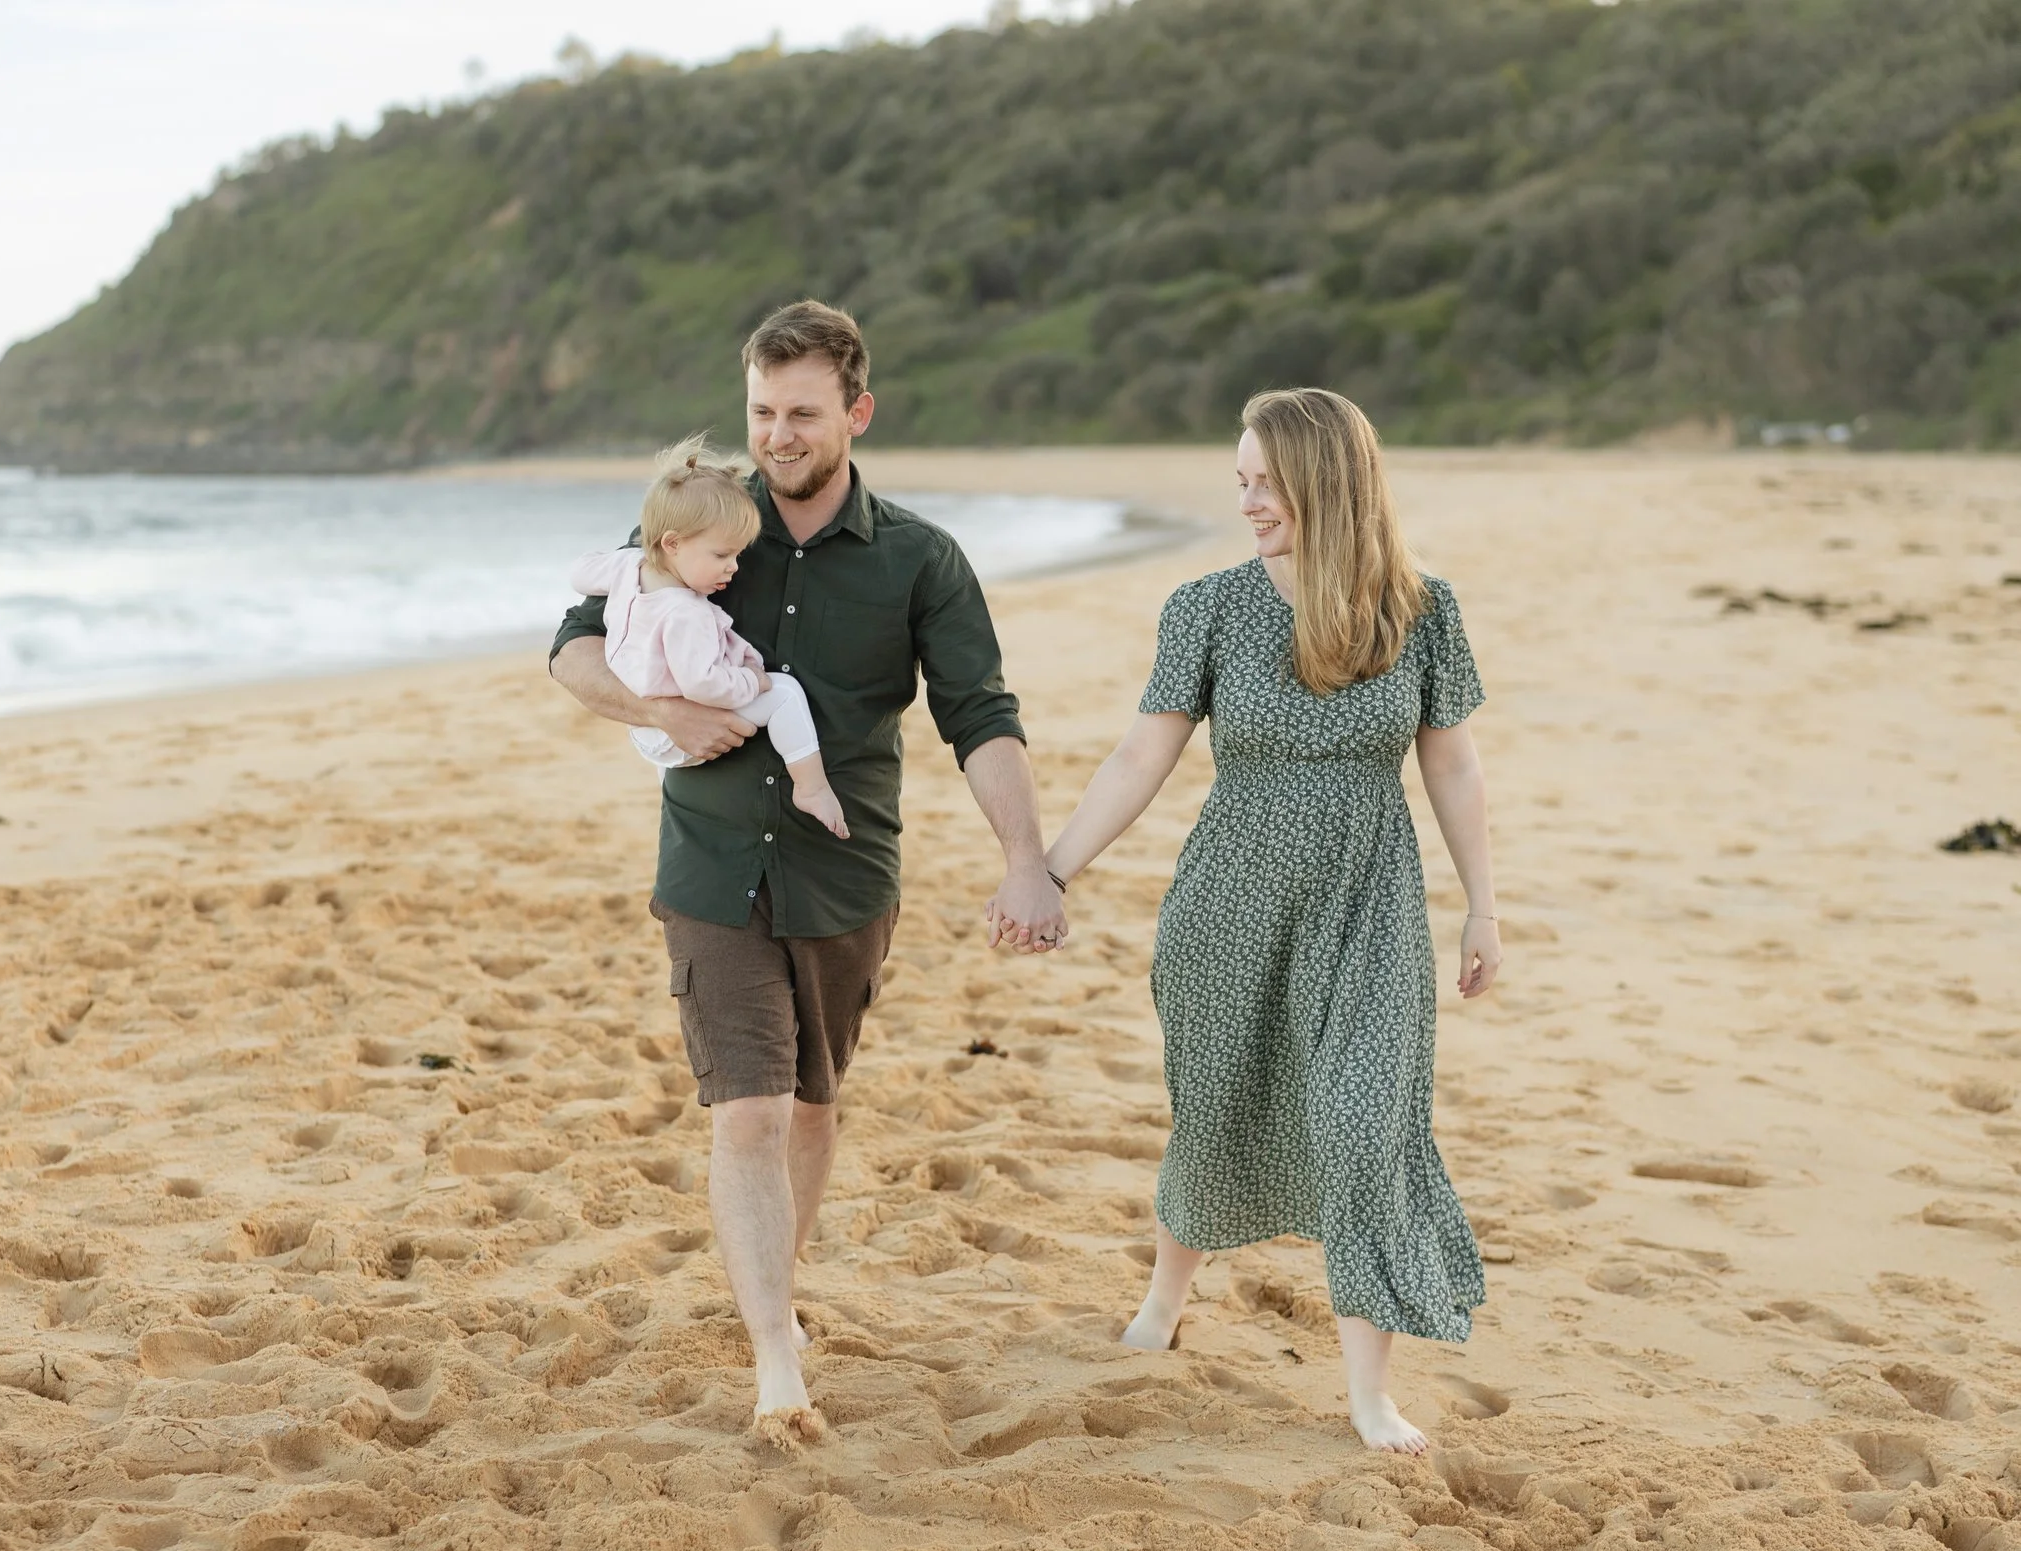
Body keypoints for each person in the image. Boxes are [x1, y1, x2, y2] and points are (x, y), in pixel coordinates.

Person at [549, 300, 1065, 1444]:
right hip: (711, 863)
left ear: (855, 413)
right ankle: (775, 1348)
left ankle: (770, 1291)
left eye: (800, 413)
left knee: (814, 1110)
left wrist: (1025, 860)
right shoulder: (699, 521)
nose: (775, 434)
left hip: (845, 873)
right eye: (759, 411)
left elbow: (978, 713)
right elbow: (572, 645)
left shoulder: (921, 559)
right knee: (748, 1108)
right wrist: (659, 709)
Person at [1039, 387, 1501, 1454]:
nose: (1245, 501)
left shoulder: (1420, 610)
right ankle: (1164, 1298)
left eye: (1263, 482)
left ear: (1325, 481)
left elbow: (1453, 763)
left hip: (1368, 904)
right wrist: (1052, 869)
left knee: (1360, 1128)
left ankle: (1368, 1393)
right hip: (1229, 899)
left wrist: (1483, 905)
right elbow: (1140, 753)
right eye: (1237, 481)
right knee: (1217, 1105)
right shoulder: (1204, 606)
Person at [567, 436, 848, 839]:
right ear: (673, 543)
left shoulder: (629, 567)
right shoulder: (687, 613)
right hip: (677, 732)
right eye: (721, 556)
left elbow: (579, 573)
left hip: (644, 728)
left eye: (737, 555)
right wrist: (755, 681)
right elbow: (704, 684)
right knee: (785, 693)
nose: (733, 568)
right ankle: (812, 787)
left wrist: (620, 558)